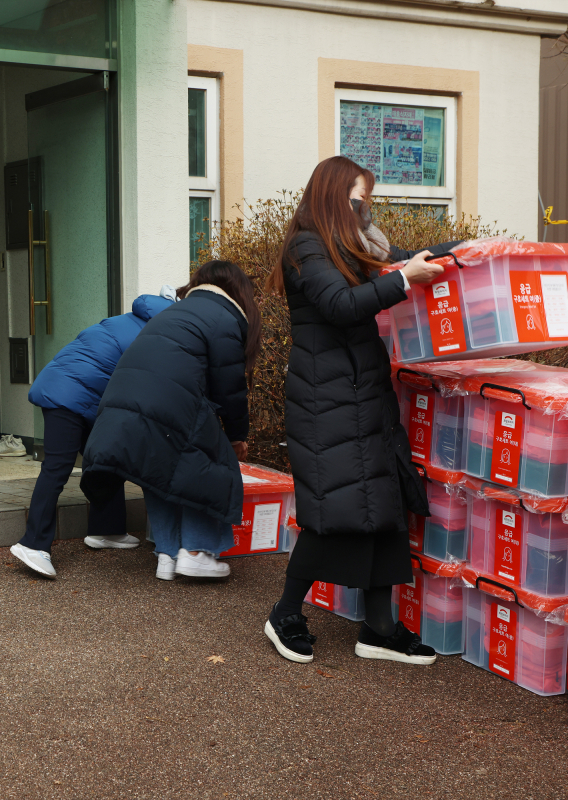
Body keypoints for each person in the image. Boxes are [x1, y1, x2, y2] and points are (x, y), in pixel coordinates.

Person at [262, 155, 461, 666]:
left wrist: (467, 253)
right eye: (358, 197)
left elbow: (407, 257)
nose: (365, 207)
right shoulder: (306, 248)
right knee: (335, 511)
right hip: (325, 400)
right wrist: (403, 281)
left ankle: (379, 629)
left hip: (361, 395)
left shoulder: (350, 248)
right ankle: (285, 613)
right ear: (334, 197)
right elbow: (340, 306)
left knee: (382, 508)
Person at [80, 261, 260, 581]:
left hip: (124, 400)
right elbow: (230, 387)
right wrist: (236, 436)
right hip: (165, 401)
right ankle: (195, 552)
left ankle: (167, 552)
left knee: (157, 467)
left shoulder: (178, 311)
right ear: (239, 293)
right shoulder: (224, 317)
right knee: (208, 462)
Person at [9, 289, 176, 578]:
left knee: (107, 458)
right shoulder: (155, 336)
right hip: (67, 396)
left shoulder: (128, 320)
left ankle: (106, 530)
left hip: (71, 390)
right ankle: (33, 544)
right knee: (57, 468)